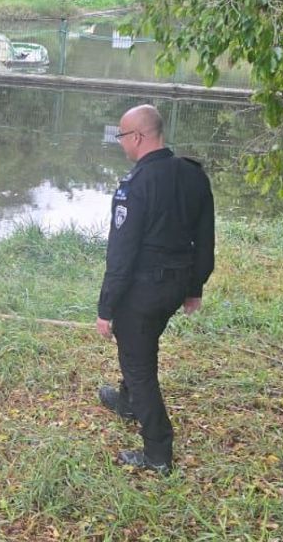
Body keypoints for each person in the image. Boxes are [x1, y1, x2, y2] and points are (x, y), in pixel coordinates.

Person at [96, 104, 215, 475]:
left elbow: (121, 255)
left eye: (121, 136)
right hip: (174, 287)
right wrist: (194, 287)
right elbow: (205, 240)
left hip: (142, 291)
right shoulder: (193, 176)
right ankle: (128, 402)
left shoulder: (136, 186)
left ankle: (158, 452)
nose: (120, 143)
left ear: (138, 137)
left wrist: (106, 309)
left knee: (139, 365)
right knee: (140, 346)